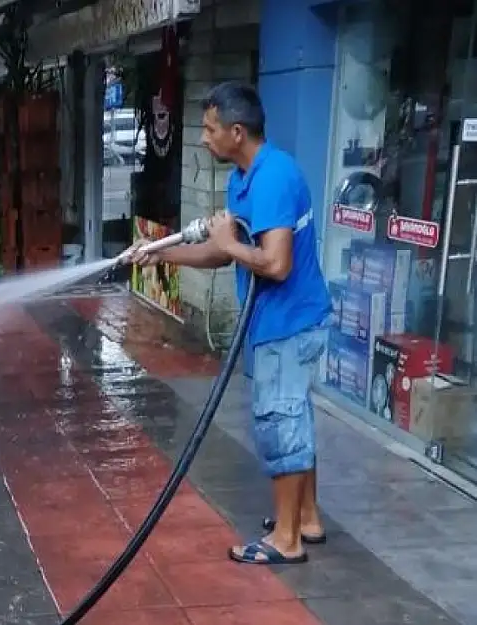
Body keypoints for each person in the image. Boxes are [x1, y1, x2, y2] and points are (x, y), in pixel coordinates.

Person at [126, 81, 332, 565]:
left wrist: (228, 241)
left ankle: (287, 541)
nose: (203, 137)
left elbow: (275, 264)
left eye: (210, 128)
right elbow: (224, 251)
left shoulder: (274, 177)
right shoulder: (244, 178)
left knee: (280, 421)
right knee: (292, 415)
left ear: (237, 132)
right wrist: (161, 255)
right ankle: (305, 518)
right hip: (273, 323)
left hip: (289, 323)